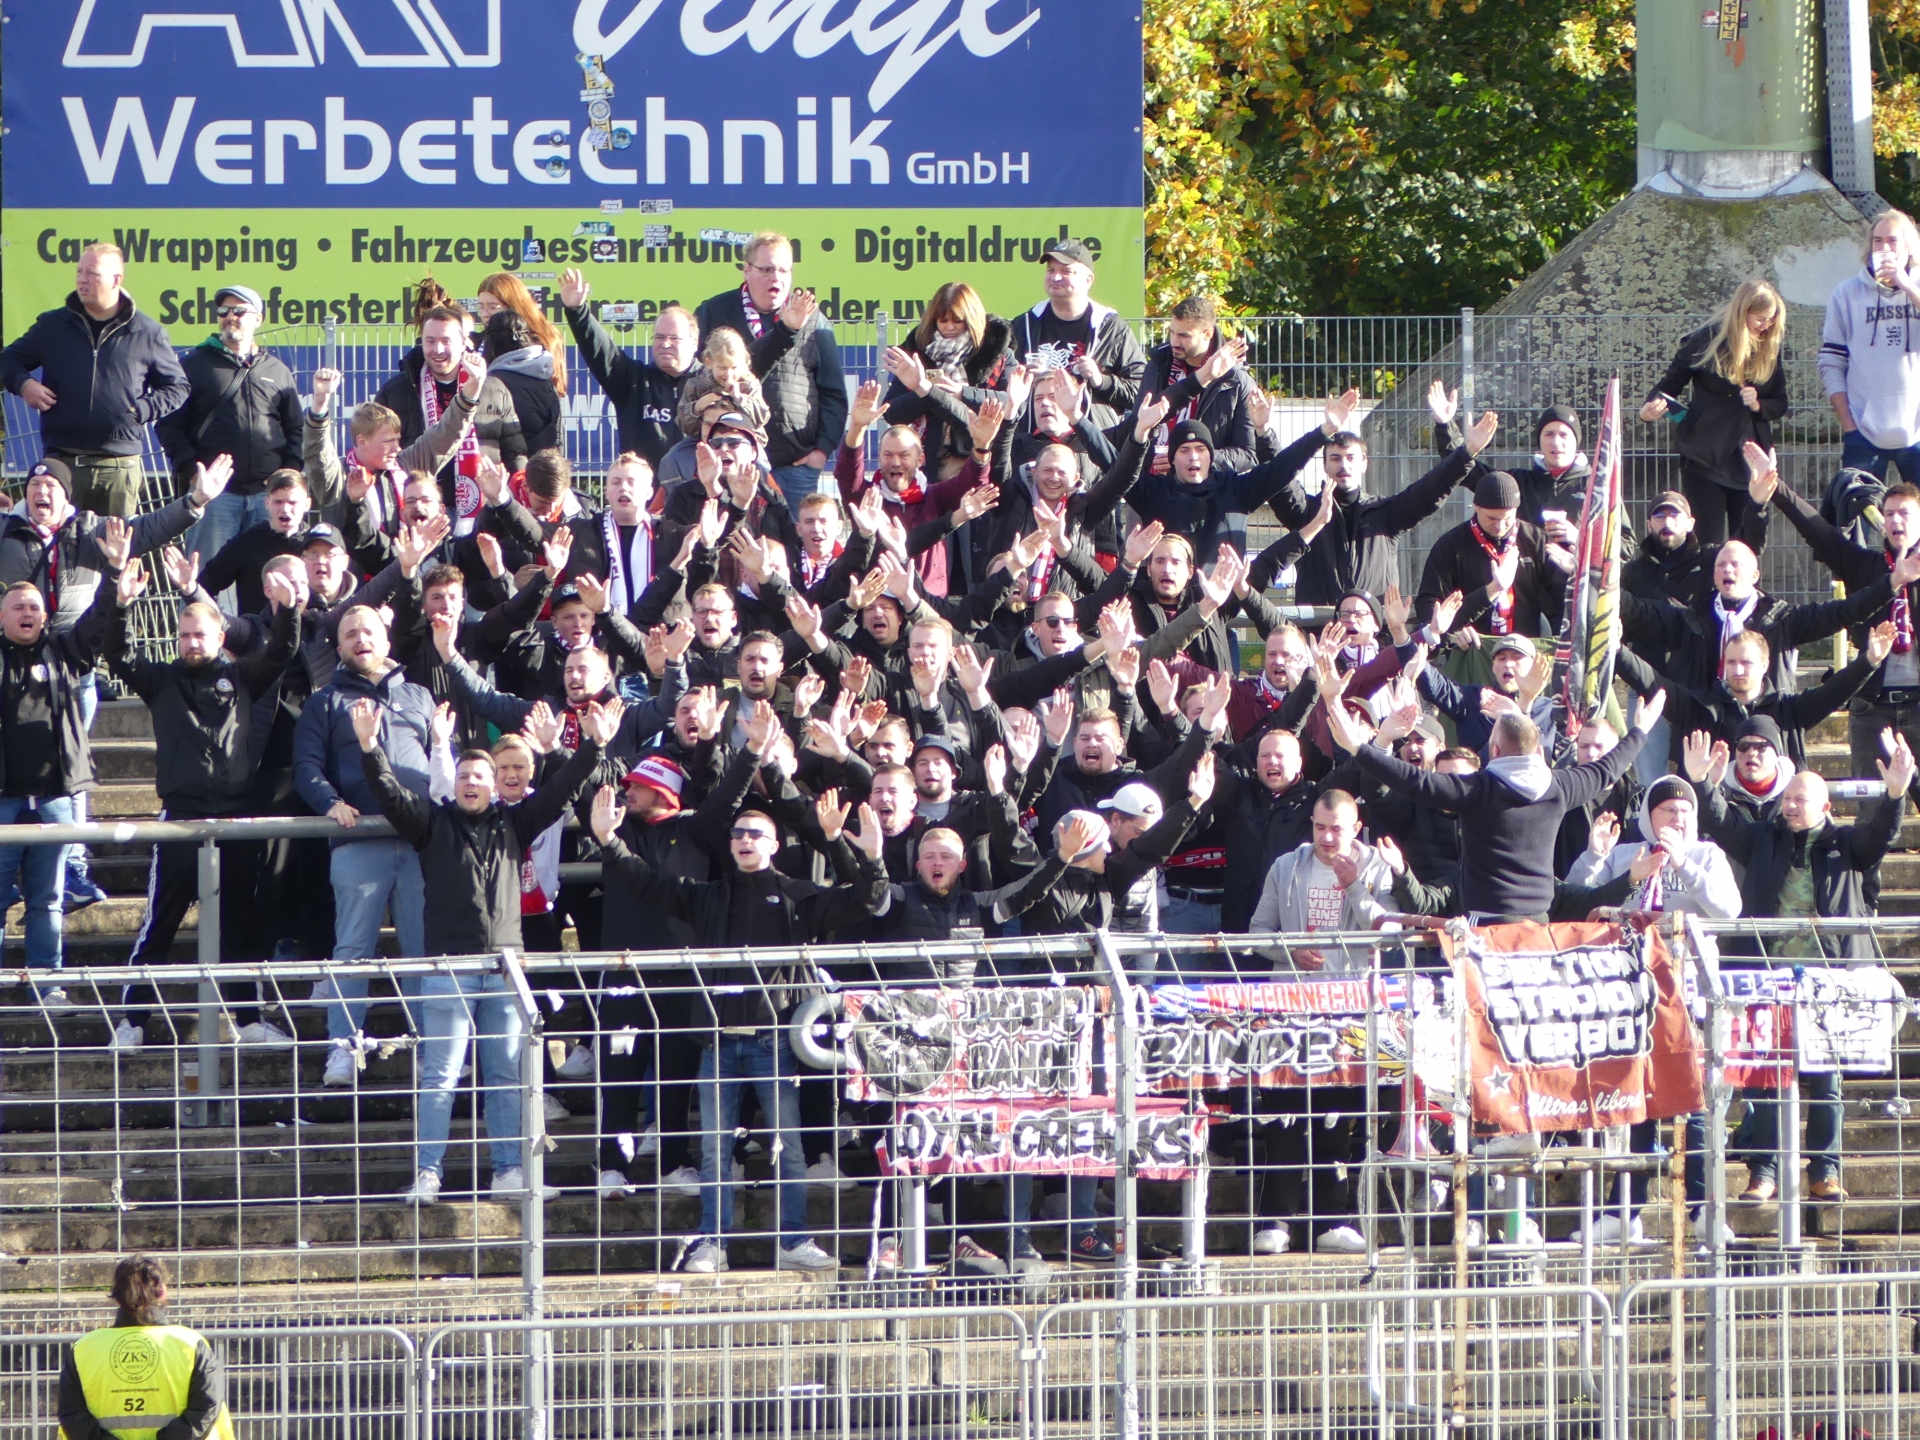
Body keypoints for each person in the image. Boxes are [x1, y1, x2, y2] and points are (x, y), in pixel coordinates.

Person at [589, 775, 889, 1274]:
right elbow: (646, 882)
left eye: (755, 834)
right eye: (738, 834)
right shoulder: (707, 896)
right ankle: (713, 1243)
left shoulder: (796, 894)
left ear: (774, 845)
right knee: (714, 1150)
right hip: (719, 1044)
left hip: (776, 1043)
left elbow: (866, 899)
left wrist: (856, 850)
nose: (745, 840)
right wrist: (608, 840)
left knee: (789, 1149)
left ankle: (794, 1241)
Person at [354, 691, 612, 1204]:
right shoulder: (432, 823)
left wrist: (594, 747)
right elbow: (388, 793)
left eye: (480, 776)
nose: (471, 782)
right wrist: (368, 747)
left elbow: (562, 787)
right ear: (454, 784)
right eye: (464, 776)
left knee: (503, 1074)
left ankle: (509, 1172)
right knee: (441, 1075)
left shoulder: (516, 822)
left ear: (496, 786)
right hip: (449, 965)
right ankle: (428, 1174)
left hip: (504, 965)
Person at [1695, 731, 1917, 1208]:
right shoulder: (1763, 837)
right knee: (1766, 1079)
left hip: (1832, 982)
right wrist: (1702, 783)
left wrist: (1896, 794)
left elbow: (1881, 833)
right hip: (1769, 978)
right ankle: (1764, 1172)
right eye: (1787, 799)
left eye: (1800, 800)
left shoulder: (1846, 843)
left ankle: (1825, 1171)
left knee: (1826, 1082)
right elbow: (1720, 821)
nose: (1790, 806)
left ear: (1824, 807)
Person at [101, 550, 301, 1053]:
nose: (192, 642)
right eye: (185, 635)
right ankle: (132, 1020)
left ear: (219, 639)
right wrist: (121, 606)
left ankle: (248, 1019)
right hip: (181, 820)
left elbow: (282, 651)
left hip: (236, 818)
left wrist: (287, 610)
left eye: (201, 635)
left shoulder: (243, 677)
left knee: (241, 924)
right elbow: (118, 654)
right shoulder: (161, 680)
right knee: (160, 924)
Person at [1322, 657, 1663, 922]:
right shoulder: (1561, 786)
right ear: (1537, 751)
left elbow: (1414, 780)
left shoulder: (1477, 789)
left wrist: (1361, 747)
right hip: (1538, 926)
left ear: (1494, 750)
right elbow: (1607, 768)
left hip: (1486, 928)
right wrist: (1640, 731)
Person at [291, 606, 437, 1086]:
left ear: (386, 640)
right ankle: (342, 1048)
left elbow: (441, 759)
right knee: (352, 950)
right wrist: (330, 802)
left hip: (420, 842)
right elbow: (306, 766)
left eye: (368, 631)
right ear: (339, 648)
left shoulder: (418, 695)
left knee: (424, 951)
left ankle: (432, 1049)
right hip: (358, 841)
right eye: (350, 634)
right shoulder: (324, 701)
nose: (360, 639)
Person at [1748, 447, 1920, 778]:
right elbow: (1816, 529)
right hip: (1872, 708)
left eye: (1905, 513)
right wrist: (1775, 485)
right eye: (1889, 513)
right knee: (1872, 803)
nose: (1895, 520)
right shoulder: (1864, 565)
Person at [0, 242, 187, 518]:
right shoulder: (53, 326)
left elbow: (178, 387)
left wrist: (141, 410)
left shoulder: (147, 332)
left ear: (116, 280)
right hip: (62, 464)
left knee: (115, 543)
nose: (82, 279)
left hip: (119, 467)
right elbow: (8, 359)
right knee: (61, 544)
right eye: (79, 271)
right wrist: (24, 385)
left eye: (92, 273)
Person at [0, 579, 111, 1006]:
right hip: (4, 801)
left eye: (33, 606)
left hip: (54, 798)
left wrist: (114, 578)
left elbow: (98, 623)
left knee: (47, 899)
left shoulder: (64, 652)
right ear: (2, 616)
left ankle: (48, 987)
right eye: (17, 607)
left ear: (45, 616)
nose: (26, 613)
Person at [1268, 408, 1499, 606]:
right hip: (1319, 631)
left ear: (1364, 464)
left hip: (1375, 632)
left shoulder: (1386, 512)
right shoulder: (1307, 512)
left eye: (1351, 458)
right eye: (1336, 459)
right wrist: (1264, 433)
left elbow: (1430, 490)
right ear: (1325, 466)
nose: (1344, 465)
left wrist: (1467, 452)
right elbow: (1279, 478)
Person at [694, 232, 846, 512]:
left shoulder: (814, 321)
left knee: (792, 539)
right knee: (731, 534)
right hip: (727, 462)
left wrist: (821, 452)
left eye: (783, 270)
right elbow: (699, 379)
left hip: (794, 467)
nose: (776, 277)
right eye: (766, 269)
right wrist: (785, 331)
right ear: (747, 270)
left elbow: (833, 392)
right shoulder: (715, 312)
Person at [154, 283, 302, 569]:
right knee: (206, 582)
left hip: (267, 497)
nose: (230, 316)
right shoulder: (193, 366)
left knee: (271, 579)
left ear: (258, 319)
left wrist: (288, 473)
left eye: (239, 311)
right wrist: (192, 473)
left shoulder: (277, 370)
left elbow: (296, 429)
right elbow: (169, 426)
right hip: (215, 498)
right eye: (223, 311)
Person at [1642, 279, 1788, 545]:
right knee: (1707, 543)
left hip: (1750, 459)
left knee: (1748, 542)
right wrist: (1650, 408)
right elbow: (1669, 385)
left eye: (1771, 320)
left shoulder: (1770, 348)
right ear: (1742, 312)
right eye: (1760, 319)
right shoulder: (1704, 340)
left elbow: (1780, 403)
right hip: (1704, 454)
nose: (1766, 326)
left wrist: (1758, 405)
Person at [374, 292, 526, 530]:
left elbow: (514, 452)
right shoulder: (397, 391)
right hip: (420, 511)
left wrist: (519, 498)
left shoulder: (493, 389)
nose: (438, 349)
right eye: (430, 341)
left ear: (464, 342)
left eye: (446, 341)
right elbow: (383, 452)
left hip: (483, 510)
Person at [59, 1254, 232, 1440]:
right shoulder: (190, 1344)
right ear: (162, 1291)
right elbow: (205, 1409)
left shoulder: (84, 1349)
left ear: (116, 1296)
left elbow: (72, 1417)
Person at [561, 269, 704, 466]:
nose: (665, 343)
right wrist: (577, 311)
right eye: (659, 337)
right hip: (644, 484)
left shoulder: (710, 383)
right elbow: (602, 350)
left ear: (694, 342)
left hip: (700, 483)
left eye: (674, 338)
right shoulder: (633, 381)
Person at [1820, 209, 1920, 485]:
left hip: (1916, 432)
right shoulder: (1847, 293)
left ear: (1908, 246)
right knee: (1859, 511)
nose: (1884, 249)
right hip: (1863, 433)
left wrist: (1907, 286)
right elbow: (1831, 360)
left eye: (1892, 241)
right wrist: (1848, 425)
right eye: (1878, 241)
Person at [1008, 239, 1147, 434]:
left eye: (1066, 271)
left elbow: (1142, 391)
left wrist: (1101, 381)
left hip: (1090, 443)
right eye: (1050, 270)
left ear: (1088, 280)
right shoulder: (1024, 324)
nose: (1055, 277)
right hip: (1033, 441)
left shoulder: (1112, 329)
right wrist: (1023, 376)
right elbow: (1000, 384)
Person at [877, 282, 1014, 479]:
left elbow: (1010, 401)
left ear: (972, 319)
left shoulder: (997, 354)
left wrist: (962, 392)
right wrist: (924, 390)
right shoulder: (918, 354)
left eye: (958, 321)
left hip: (981, 458)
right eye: (943, 321)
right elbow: (891, 413)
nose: (950, 327)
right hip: (931, 463)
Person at [1138, 296, 1261, 474]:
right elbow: (1137, 424)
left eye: (1184, 335)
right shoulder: (1157, 366)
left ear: (1207, 334)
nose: (1174, 342)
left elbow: (1248, 454)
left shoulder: (1235, 381)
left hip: (1204, 485)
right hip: (1154, 482)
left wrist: (1195, 459)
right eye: (1172, 332)